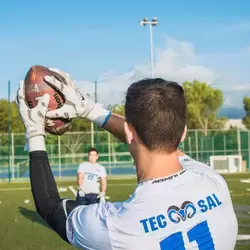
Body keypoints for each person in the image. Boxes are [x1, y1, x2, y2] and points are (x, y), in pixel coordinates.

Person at [16, 68, 238, 250]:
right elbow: (152, 135)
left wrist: (35, 133)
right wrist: (87, 109)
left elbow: (50, 207)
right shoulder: (214, 182)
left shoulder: (118, 225)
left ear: (129, 132)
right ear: (184, 133)